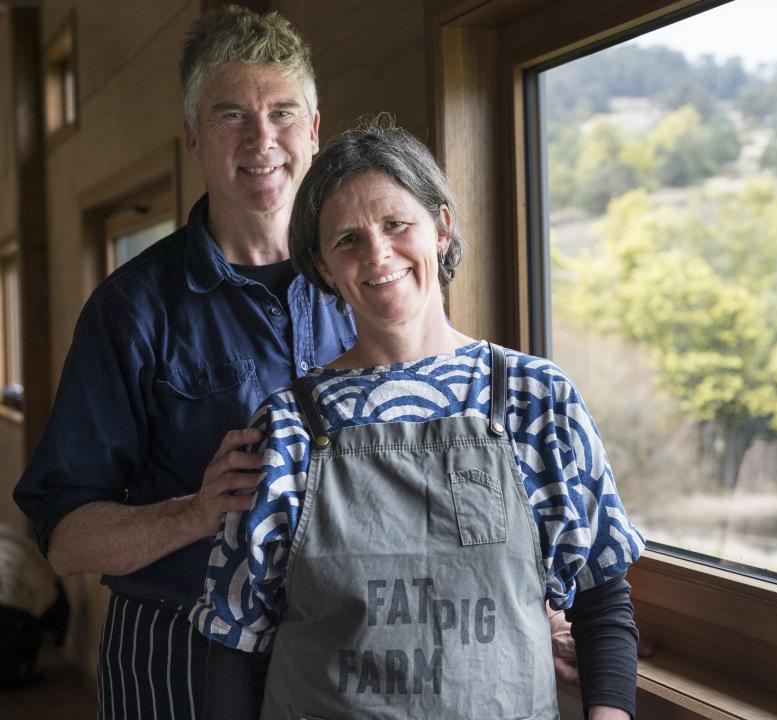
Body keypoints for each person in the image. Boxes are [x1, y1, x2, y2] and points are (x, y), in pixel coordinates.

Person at [189, 121, 644, 719]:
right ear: (325, 268)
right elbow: (234, 637)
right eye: (347, 239)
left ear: (442, 227)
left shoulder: (537, 401)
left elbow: (601, 597)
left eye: (396, 224)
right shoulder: (286, 430)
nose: (376, 254)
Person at [11, 8, 347, 718]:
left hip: (337, 653)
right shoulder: (130, 309)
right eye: (232, 114)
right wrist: (193, 512)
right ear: (194, 135)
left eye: (283, 112)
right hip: (177, 658)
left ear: (313, 131)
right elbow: (65, 539)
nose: (262, 139)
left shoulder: (364, 286)